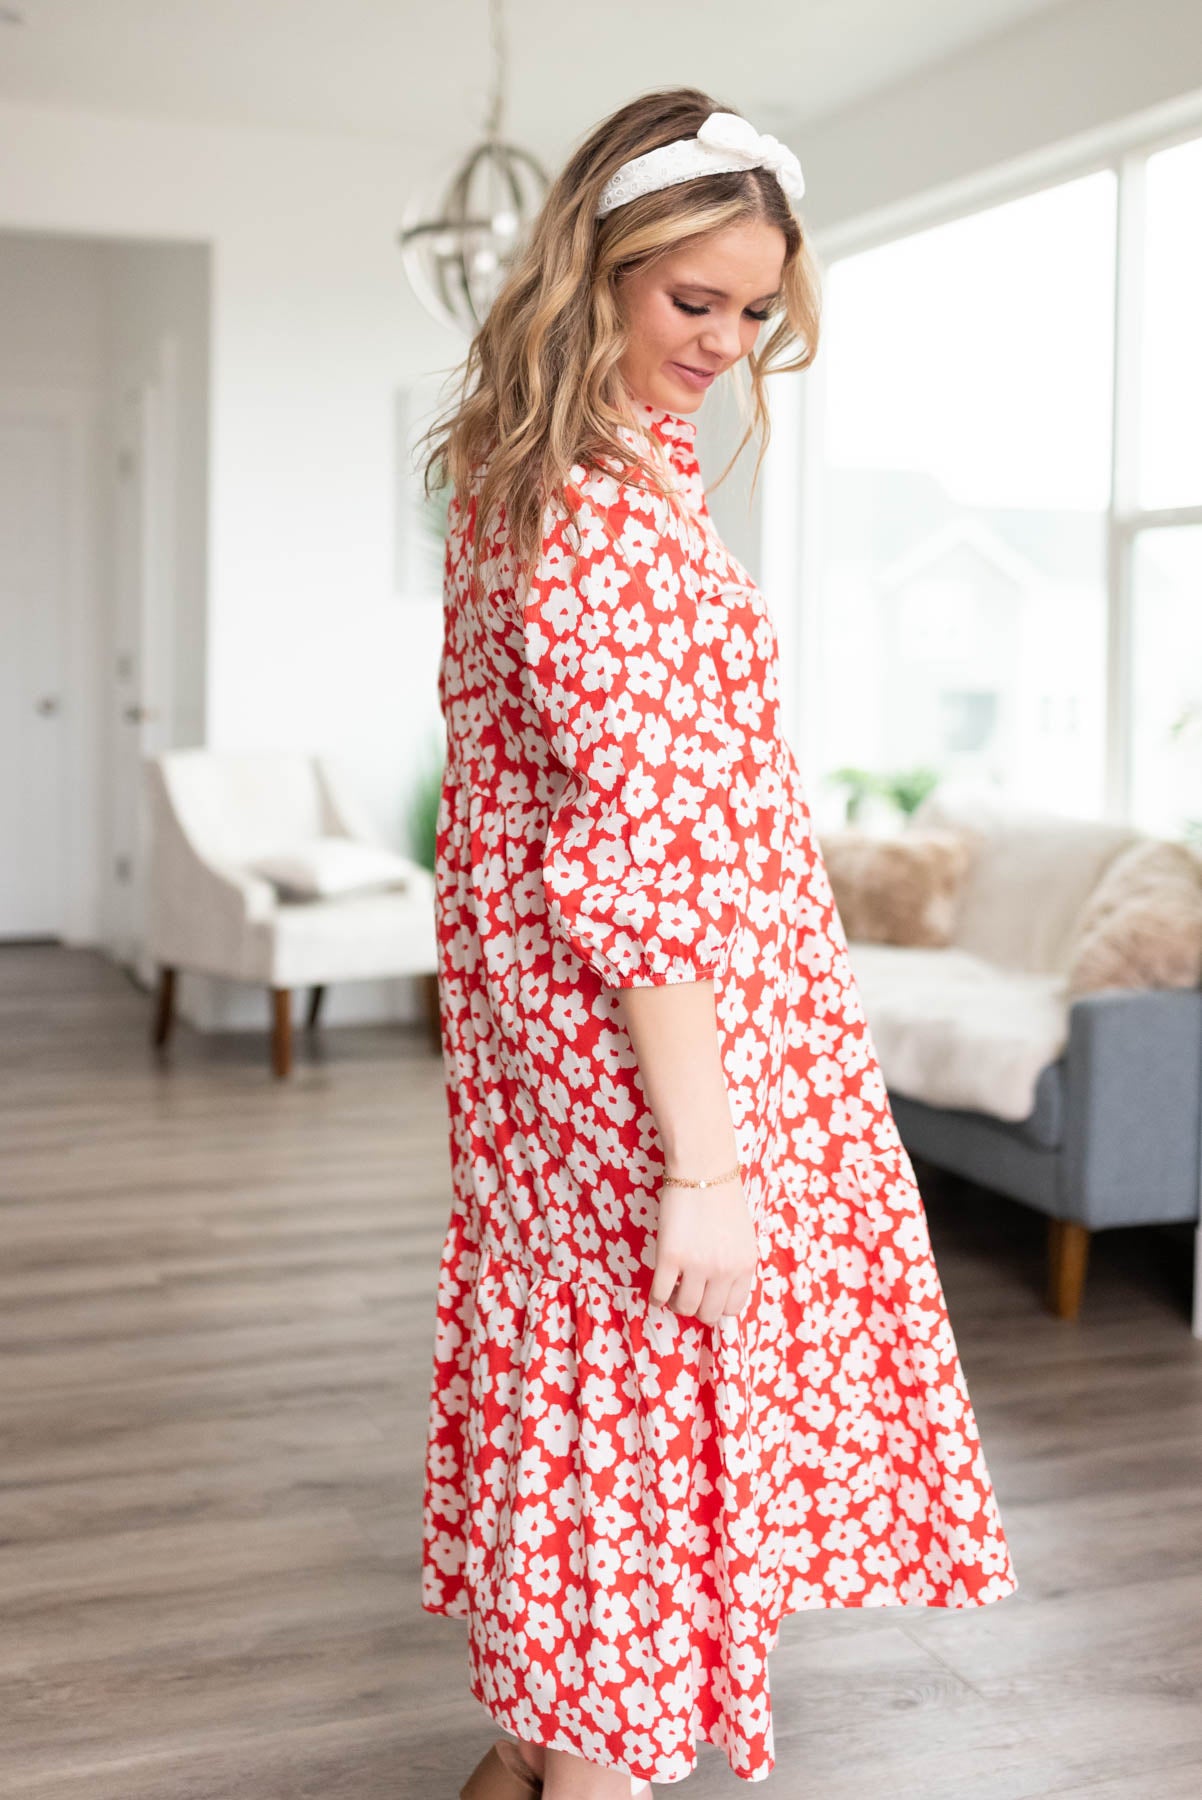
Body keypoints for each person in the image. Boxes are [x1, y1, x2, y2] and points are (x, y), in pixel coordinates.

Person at [418, 86, 1019, 1800]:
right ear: (593, 270)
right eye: (693, 301)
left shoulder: (541, 471)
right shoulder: (599, 522)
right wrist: (708, 1161)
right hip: (641, 1069)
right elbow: (643, 872)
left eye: (753, 311)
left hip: (561, 1058)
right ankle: (584, 1766)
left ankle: (542, 1752)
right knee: (639, 1430)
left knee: (585, 1409)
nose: (727, 342)